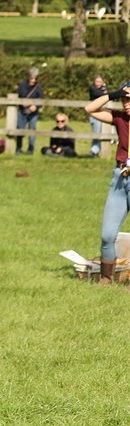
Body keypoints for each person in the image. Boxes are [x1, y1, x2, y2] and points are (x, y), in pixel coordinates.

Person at [84, 81, 130, 284]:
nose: (125, 103)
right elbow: (89, 108)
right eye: (123, 99)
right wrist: (113, 94)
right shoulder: (119, 118)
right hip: (120, 178)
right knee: (107, 234)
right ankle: (106, 279)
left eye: (128, 99)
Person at [14, 67, 44, 154]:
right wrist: (22, 103)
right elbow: (17, 96)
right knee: (20, 130)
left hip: (33, 113)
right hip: (22, 111)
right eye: (31, 78)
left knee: (32, 130)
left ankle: (30, 150)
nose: (33, 80)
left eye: (35, 78)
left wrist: (36, 106)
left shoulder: (38, 88)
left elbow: (41, 100)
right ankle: (18, 149)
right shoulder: (22, 86)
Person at [89, 74, 109, 157]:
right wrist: (104, 92)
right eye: (97, 81)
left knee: (99, 131)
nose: (98, 83)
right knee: (96, 132)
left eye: (100, 82)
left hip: (101, 112)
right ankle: (94, 150)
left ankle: (94, 150)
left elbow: (108, 94)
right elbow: (98, 94)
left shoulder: (104, 88)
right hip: (93, 113)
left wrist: (105, 91)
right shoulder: (92, 88)